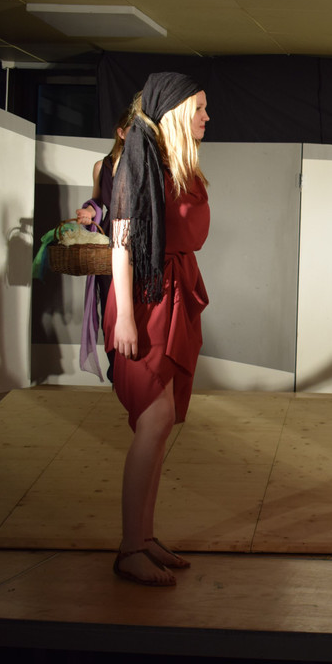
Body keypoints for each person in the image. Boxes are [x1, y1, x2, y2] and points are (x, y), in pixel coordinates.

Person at [103, 72, 211, 586]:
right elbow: (120, 245)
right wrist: (125, 316)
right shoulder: (136, 162)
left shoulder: (173, 162)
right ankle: (130, 548)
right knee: (153, 419)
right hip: (146, 299)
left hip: (173, 291)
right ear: (175, 113)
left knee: (162, 422)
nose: (207, 117)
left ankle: (143, 537)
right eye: (199, 108)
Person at [74, 96, 139, 382]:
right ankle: (118, 373)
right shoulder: (103, 166)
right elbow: (98, 203)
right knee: (111, 308)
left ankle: (137, 375)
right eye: (134, 130)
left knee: (139, 307)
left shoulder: (146, 165)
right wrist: (88, 212)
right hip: (112, 245)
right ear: (121, 132)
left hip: (141, 244)